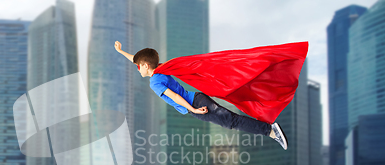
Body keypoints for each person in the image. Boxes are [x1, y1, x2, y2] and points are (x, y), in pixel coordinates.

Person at [114, 41, 289, 150]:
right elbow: (138, 59)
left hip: (195, 104)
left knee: (232, 121)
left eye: (139, 66)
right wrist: (121, 52)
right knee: (231, 120)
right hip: (197, 98)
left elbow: (175, 96)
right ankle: (269, 130)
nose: (137, 68)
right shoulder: (160, 68)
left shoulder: (155, 82)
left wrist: (193, 109)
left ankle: (270, 131)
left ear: (145, 65)